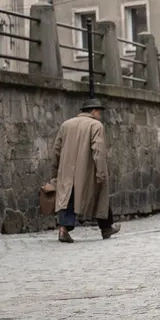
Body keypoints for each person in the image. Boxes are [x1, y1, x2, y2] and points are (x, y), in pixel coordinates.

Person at [52, 98, 120, 243]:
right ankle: (106, 227)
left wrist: (56, 171)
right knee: (100, 195)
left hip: (67, 170)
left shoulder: (66, 124)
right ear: (94, 111)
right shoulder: (96, 125)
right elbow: (98, 151)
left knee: (67, 198)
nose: (100, 115)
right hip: (87, 171)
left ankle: (64, 229)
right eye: (99, 112)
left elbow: (56, 150)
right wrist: (101, 172)